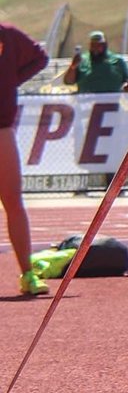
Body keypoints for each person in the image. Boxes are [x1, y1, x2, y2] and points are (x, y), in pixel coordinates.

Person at [0, 22, 50, 296]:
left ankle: (27, 274)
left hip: (1, 129)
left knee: (13, 202)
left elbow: (40, 58)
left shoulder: (7, 35)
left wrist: (11, 80)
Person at [62, 31, 128, 93]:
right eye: (93, 45)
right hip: (85, 104)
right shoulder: (82, 60)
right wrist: (73, 66)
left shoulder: (118, 61)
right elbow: (68, 82)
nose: (95, 48)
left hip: (111, 104)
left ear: (105, 45)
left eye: (99, 45)